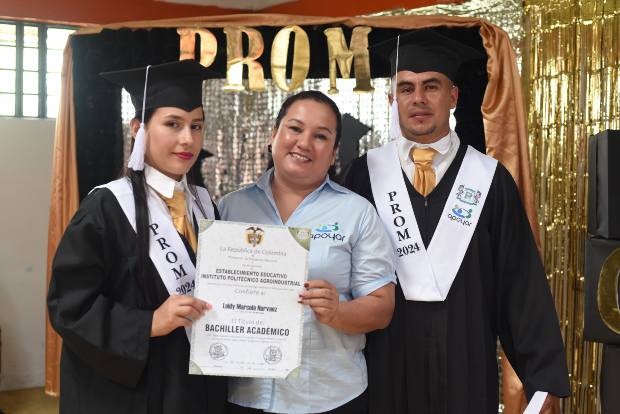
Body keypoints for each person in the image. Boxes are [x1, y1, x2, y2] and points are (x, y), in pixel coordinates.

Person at [340, 29, 570, 414]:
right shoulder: (363, 175)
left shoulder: (489, 180)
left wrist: (542, 380)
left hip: (466, 360)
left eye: (431, 86)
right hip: (384, 362)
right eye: (406, 88)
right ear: (392, 99)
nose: (418, 98)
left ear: (453, 97)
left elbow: (519, 283)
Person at [47, 59, 227, 414]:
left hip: (194, 386)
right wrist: (148, 323)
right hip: (133, 393)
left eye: (196, 126)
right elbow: (69, 306)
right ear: (138, 128)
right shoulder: (106, 208)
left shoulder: (204, 205)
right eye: (173, 124)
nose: (188, 139)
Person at [219, 90, 396, 414]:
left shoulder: (357, 213)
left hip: (329, 396)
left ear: (334, 151)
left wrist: (338, 312)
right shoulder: (230, 208)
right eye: (295, 129)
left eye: (320, 136)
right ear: (274, 134)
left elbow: (382, 308)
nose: (304, 143)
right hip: (244, 393)